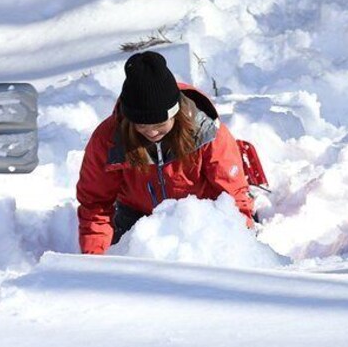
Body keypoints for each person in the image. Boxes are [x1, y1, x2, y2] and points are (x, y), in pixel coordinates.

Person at [76, 50, 254, 254]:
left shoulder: (207, 133)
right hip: (137, 216)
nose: (151, 132)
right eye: (141, 126)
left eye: (160, 124)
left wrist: (244, 241)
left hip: (201, 216)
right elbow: (95, 203)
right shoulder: (107, 139)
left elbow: (233, 195)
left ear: (176, 115)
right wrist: (95, 259)